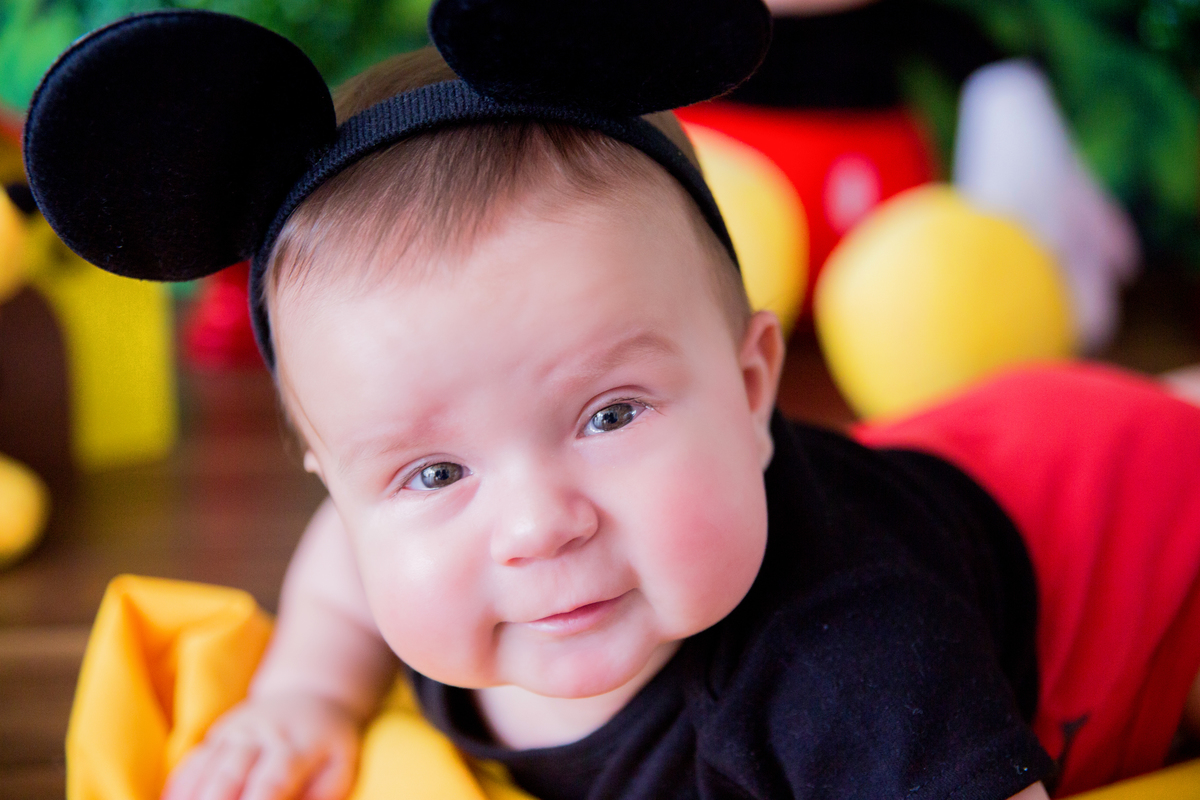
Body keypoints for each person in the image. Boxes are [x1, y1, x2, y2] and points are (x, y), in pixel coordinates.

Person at [21, 4, 1200, 800]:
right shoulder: (418, 556)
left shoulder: (851, 660)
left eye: (610, 413)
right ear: (341, 476)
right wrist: (307, 689)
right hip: (965, 459)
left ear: (751, 388)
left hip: (1134, 528)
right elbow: (341, 561)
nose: (539, 525)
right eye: (433, 474)